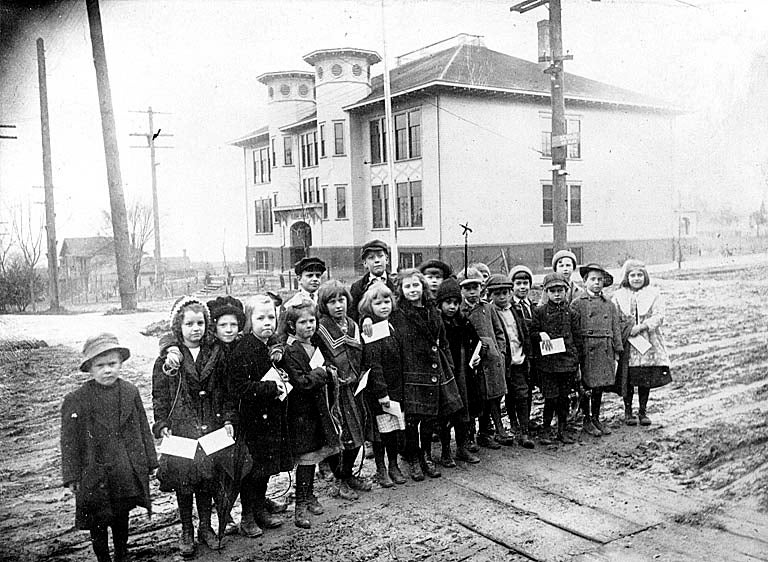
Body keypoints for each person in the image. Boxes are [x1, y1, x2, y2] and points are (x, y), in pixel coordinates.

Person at [61, 333, 157, 562]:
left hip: (123, 468)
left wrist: (151, 461)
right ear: (90, 369)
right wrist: (72, 476)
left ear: (121, 364)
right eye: (100, 366)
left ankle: (122, 554)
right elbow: (69, 441)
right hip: (94, 471)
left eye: (112, 364)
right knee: (98, 520)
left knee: (121, 515)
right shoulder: (77, 399)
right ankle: (103, 557)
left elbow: (143, 428)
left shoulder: (130, 392)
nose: (107, 370)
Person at [152, 296, 231, 557]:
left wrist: (228, 419)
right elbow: (160, 394)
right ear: (179, 326)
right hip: (182, 427)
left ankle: (206, 528)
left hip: (211, 424)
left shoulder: (216, 353)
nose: (195, 328)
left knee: (208, 479)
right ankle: (187, 529)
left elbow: (225, 390)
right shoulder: (170, 357)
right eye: (189, 324)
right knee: (184, 481)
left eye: (200, 323)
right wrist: (162, 423)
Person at [228, 295, 294, 538]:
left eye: (271, 318)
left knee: (265, 469)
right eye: (260, 318)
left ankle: (259, 511)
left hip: (271, 418)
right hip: (253, 421)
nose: (267, 323)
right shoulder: (244, 349)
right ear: (249, 320)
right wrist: (269, 388)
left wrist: (283, 377)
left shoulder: (271, 346)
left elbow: (277, 371)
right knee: (252, 472)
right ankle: (247, 516)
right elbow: (239, 387)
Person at [389, 268, 464, 481]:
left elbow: (443, 341)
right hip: (411, 373)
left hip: (434, 371)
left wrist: (447, 364)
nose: (412, 290)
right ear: (401, 291)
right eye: (408, 286)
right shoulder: (398, 314)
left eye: (416, 285)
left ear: (423, 288)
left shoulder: (433, 311)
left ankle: (426, 456)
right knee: (412, 419)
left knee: (430, 419)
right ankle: (413, 459)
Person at [279, 300, 342, 529]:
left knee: (315, 457)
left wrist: (329, 372)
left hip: (318, 412)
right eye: (303, 322)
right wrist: (321, 373)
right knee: (306, 460)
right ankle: (300, 504)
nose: (309, 326)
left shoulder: (315, 344)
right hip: (301, 415)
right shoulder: (289, 350)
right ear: (291, 326)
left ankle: (311, 495)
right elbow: (302, 382)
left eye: (312, 321)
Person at [315, 280, 372, 500]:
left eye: (342, 300)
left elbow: (361, 355)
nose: (338, 305)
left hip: (355, 388)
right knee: (341, 436)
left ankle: (348, 475)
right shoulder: (320, 328)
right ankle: (339, 480)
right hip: (334, 392)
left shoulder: (353, 325)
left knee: (358, 433)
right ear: (324, 304)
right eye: (332, 301)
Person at [612, 259, 672, 426]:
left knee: (644, 378)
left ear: (645, 277)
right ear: (627, 277)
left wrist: (643, 326)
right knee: (628, 378)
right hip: (628, 341)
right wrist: (626, 329)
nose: (636, 278)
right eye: (632, 275)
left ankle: (643, 411)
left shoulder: (653, 294)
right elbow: (614, 317)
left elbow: (659, 316)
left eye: (640, 275)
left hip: (647, 340)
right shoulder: (618, 296)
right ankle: (628, 411)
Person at [359, 283, 408, 486]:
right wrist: (382, 393)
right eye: (377, 303)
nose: (383, 306)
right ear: (369, 307)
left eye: (386, 301)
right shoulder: (373, 329)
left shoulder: (391, 325)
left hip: (397, 387)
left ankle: (394, 465)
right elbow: (374, 365)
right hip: (381, 390)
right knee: (381, 433)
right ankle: (381, 468)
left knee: (395, 431)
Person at [458, 268, 513, 448]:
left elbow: (499, 332)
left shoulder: (488, 308)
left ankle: (485, 433)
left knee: (492, 397)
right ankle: (470, 435)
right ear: (462, 291)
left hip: (491, 360)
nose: (472, 292)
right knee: (476, 399)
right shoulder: (460, 311)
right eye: (468, 288)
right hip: (472, 363)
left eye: (476, 287)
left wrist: (501, 352)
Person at [571, 263, 623, 438]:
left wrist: (617, 349)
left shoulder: (609, 304)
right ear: (585, 281)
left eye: (600, 280)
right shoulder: (578, 303)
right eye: (593, 279)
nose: (597, 283)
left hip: (604, 348)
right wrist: (576, 353)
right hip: (586, 348)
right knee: (587, 386)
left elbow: (615, 327)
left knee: (599, 386)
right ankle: (586, 420)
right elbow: (574, 330)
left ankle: (596, 418)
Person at [531, 274, 582, 445]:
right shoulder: (539, 312)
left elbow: (577, 338)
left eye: (560, 290)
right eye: (553, 291)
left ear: (566, 291)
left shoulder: (572, 313)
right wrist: (540, 334)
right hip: (548, 365)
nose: (557, 294)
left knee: (564, 398)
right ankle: (546, 430)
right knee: (550, 398)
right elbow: (531, 333)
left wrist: (576, 361)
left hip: (567, 363)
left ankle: (562, 430)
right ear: (546, 292)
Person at [435, 277, 482, 465]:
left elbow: (478, 341)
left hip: (464, 372)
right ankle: (446, 452)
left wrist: (477, 355)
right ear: (440, 304)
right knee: (446, 414)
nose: (452, 307)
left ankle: (462, 448)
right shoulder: (438, 324)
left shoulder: (463, 322)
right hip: (446, 374)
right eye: (448, 303)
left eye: (455, 303)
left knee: (464, 412)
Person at [486, 274, 535, 449]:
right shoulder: (489, 312)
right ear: (490, 295)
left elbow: (522, 333)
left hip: (518, 360)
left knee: (522, 394)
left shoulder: (515, 309)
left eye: (505, 292)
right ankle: (501, 429)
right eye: (497, 293)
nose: (502, 297)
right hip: (499, 363)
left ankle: (523, 431)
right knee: (498, 395)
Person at [349, 239, 395, 323]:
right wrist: (365, 318)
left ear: (387, 260)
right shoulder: (358, 287)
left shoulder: (396, 282)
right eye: (371, 258)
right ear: (365, 263)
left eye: (380, 256)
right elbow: (353, 315)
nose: (377, 260)